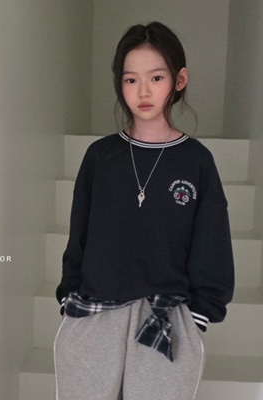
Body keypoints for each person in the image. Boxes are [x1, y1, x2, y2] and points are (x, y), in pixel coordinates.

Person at [54, 21, 234, 400]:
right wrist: (69, 294)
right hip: (95, 312)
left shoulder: (196, 161)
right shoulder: (101, 157)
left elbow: (212, 242)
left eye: (156, 77)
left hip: (165, 316)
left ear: (179, 80)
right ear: (119, 84)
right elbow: (80, 233)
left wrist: (199, 314)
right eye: (131, 80)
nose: (144, 91)